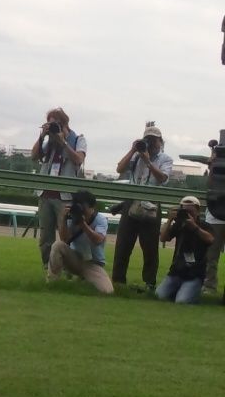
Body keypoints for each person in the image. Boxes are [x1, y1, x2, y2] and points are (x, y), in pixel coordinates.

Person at [112, 123, 173, 291]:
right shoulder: (136, 155)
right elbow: (119, 169)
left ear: (160, 142)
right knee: (123, 244)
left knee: (150, 247)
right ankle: (118, 282)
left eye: (154, 140)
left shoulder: (165, 159)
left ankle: (149, 284)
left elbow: (163, 179)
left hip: (152, 203)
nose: (151, 144)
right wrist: (133, 150)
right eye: (148, 140)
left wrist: (148, 161)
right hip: (132, 201)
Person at [31, 107, 87, 269]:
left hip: (65, 196)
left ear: (64, 124)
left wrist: (63, 143)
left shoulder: (78, 139)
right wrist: (42, 136)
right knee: (45, 236)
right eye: (50, 124)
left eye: (56, 124)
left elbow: (78, 160)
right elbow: (34, 156)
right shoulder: (49, 141)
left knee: (67, 235)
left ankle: (70, 268)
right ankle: (48, 269)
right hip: (46, 193)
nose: (54, 128)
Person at [46, 190, 113, 294]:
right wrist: (63, 219)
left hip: (93, 263)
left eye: (84, 207)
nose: (82, 211)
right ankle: (52, 283)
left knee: (107, 291)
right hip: (75, 259)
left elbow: (98, 240)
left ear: (92, 207)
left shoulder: (100, 219)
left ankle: (82, 281)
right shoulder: (71, 217)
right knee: (58, 245)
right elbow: (64, 240)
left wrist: (83, 224)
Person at [156, 196, 214, 304]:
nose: (187, 215)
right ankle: (180, 291)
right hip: (176, 272)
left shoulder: (204, 226)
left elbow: (210, 239)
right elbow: (163, 238)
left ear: (198, 211)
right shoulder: (179, 225)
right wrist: (169, 220)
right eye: (185, 211)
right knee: (159, 296)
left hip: (194, 274)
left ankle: (188, 292)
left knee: (182, 301)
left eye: (190, 212)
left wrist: (194, 227)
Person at [202, 150, 225, 294]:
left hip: (216, 213)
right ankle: (209, 285)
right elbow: (209, 185)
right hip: (215, 214)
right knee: (211, 255)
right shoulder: (216, 165)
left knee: (211, 255)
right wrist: (212, 167)